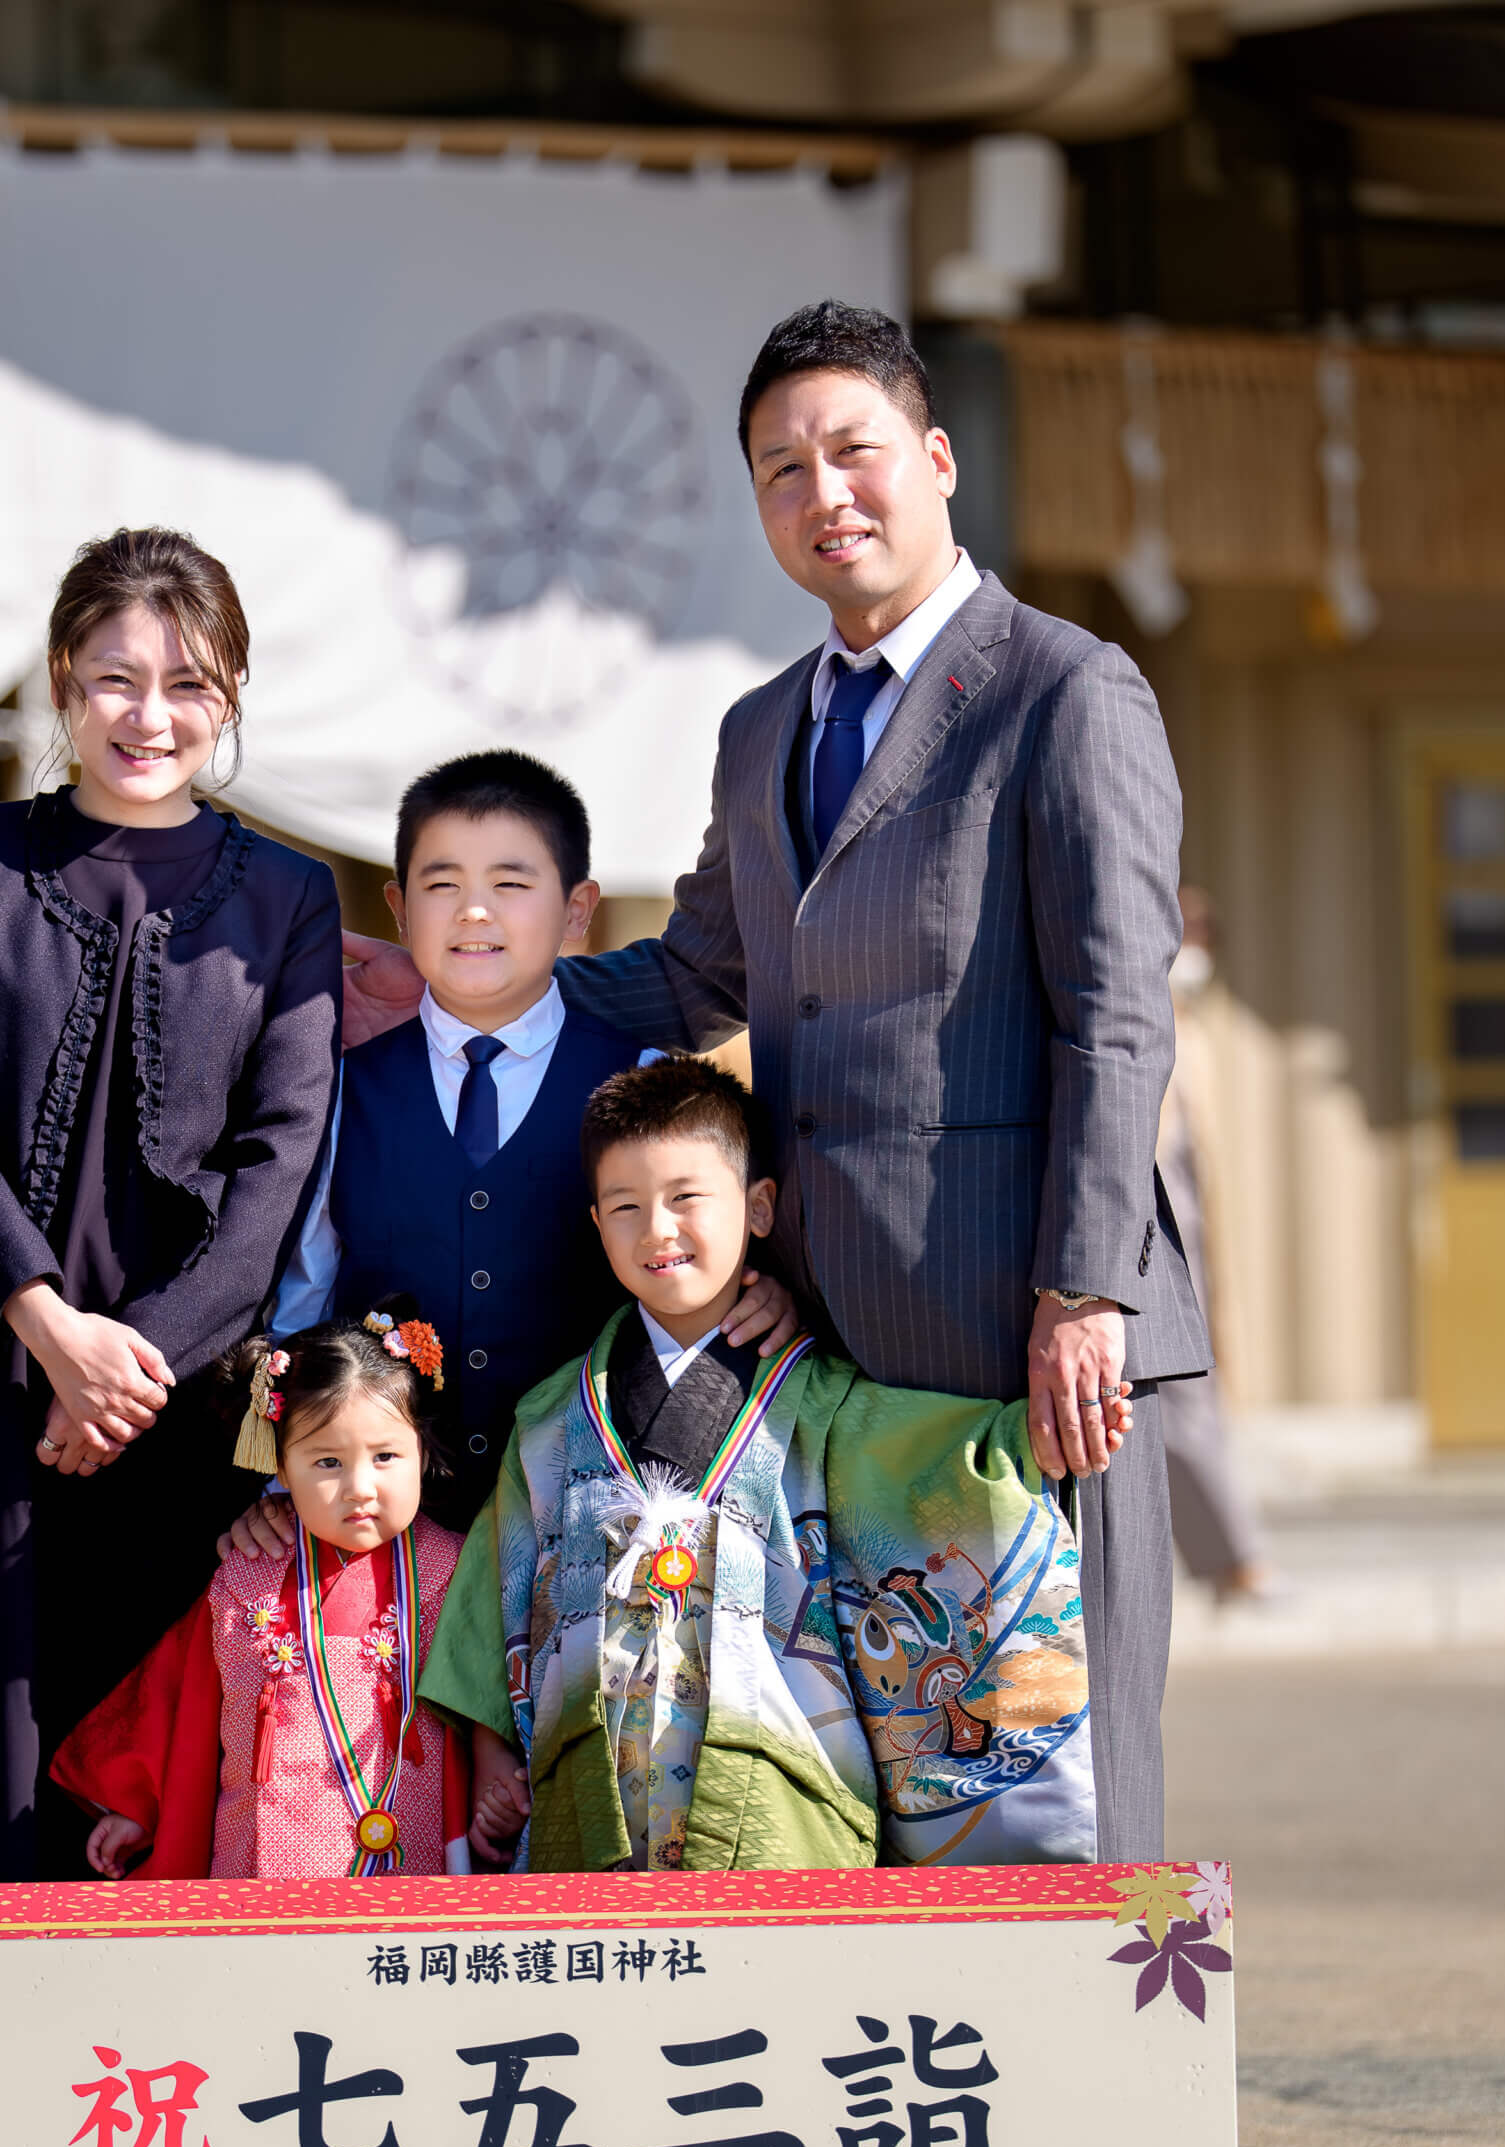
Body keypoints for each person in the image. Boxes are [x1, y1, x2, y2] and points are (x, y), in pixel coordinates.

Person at [349, 304, 1209, 1861]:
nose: (826, 494)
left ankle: (1095, 2097)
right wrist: (455, 973)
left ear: (935, 460)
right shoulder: (765, 730)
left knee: (1050, 1775)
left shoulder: (1065, 693)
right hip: (817, 1331)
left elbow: (1116, 1016)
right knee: (875, 1776)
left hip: (1022, 1327)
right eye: (782, 470)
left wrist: (1088, 1292)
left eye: (855, 452)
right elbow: (698, 977)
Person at [0, 527, 341, 1883]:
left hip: (178, 1411)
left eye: (190, 684)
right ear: (66, 684)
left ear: (232, 697)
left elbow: (279, 1168)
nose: (152, 716)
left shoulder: (289, 897)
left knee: (167, 1768)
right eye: (117, 679)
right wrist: (51, 1338)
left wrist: (128, 1370)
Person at [426, 1059, 1123, 1874]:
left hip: (778, 1790)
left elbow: (928, 1462)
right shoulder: (549, 1421)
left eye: (688, 1198)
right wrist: (490, 1748)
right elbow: (500, 1599)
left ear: (759, 1207)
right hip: (593, 1786)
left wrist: (1022, 1443)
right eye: (626, 1207)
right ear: (595, 1223)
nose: (658, 1229)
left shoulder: (821, 1404)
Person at [233, 749, 794, 1545]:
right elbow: (303, 1302)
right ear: (398, 907)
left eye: (511, 883)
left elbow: (701, 1256)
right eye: (442, 885)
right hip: (386, 1529)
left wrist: (764, 1287)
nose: (473, 912)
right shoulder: (335, 1090)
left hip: (596, 1517)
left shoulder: (644, 1081)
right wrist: (279, 1485)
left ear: (577, 910)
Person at [51, 1311, 475, 1878]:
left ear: (422, 1449)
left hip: (410, 1860)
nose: (360, 1488)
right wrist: (141, 1806)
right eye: (327, 1462)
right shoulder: (248, 1574)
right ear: (279, 1465)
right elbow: (184, 1703)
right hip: (263, 1863)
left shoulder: (454, 1568)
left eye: (386, 1456)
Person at [1158, 886, 1272, 1602]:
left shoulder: (1191, 1023)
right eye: (1187, 929)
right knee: (1182, 1394)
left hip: (1190, 1229)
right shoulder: (1134, 1022)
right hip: (1148, 1231)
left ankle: (1232, 1559)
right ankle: (1237, 1558)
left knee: (1193, 1394)